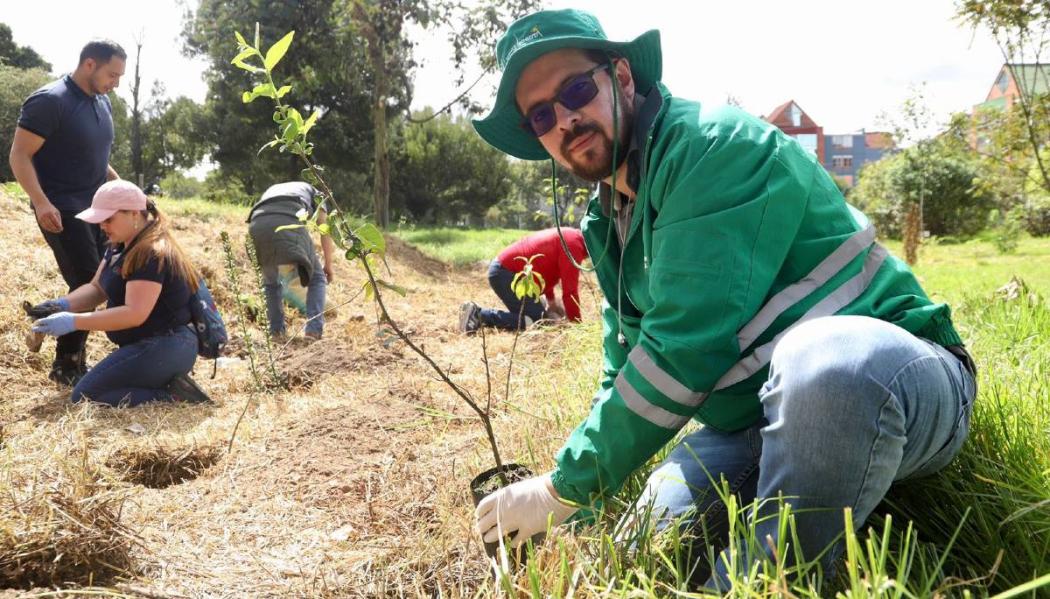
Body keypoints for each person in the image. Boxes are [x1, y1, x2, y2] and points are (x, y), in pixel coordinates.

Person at [470, 9, 977, 589]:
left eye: (576, 89)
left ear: (623, 77)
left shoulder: (712, 147)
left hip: (893, 384)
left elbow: (682, 352)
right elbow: (626, 363)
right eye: (542, 114)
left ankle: (760, 582)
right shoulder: (607, 223)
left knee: (824, 362)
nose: (565, 118)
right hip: (751, 424)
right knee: (642, 542)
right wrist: (572, 497)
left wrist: (561, 488)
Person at [30, 180, 211, 407]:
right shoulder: (120, 246)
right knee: (90, 389)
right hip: (151, 346)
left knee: (85, 395)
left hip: (166, 346)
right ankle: (163, 384)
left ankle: (174, 396)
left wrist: (74, 321)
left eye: (108, 219)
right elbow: (97, 289)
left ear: (134, 214)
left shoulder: (151, 252)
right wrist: (59, 305)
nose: (102, 226)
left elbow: (135, 314)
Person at [9, 39, 126, 386]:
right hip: (61, 208)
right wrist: (41, 201)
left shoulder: (101, 102)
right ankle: (67, 365)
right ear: (89, 64)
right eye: (112, 74)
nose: (116, 83)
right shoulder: (50, 101)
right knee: (89, 278)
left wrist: (122, 189)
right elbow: (19, 156)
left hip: (97, 209)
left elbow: (96, 157)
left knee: (102, 280)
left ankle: (46, 314)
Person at [247, 181, 334, 340]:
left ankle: (276, 332)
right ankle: (313, 331)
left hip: (257, 224)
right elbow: (324, 232)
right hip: (287, 219)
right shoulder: (318, 195)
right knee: (317, 278)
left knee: (271, 283)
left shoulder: (274, 188)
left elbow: (268, 214)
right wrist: (328, 265)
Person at [459, 227, 588, 333]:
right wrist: (578, 328)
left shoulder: (571, 235)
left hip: (505, 269)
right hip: (505, 273)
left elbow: (546, 268)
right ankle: (480, 315)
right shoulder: (573, 245)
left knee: (542, 312)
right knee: (536, 320)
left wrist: (551, 301)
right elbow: (570, 292)